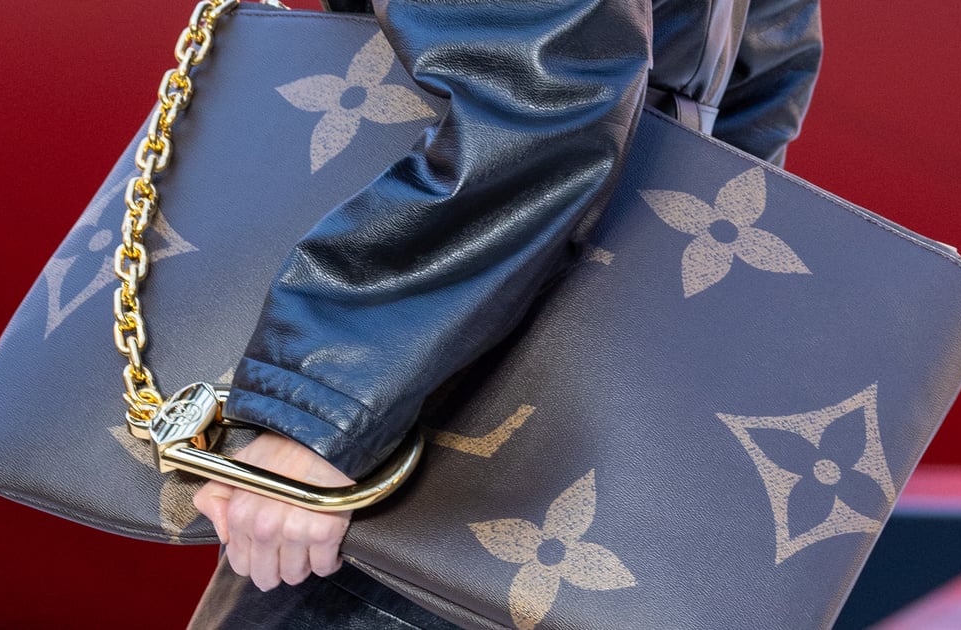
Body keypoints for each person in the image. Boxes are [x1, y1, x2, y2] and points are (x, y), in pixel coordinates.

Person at [190, 0, 821, 626]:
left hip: (411, 420)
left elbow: (540, 96)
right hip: (574, 439)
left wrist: (321, 405)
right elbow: (760, 78)